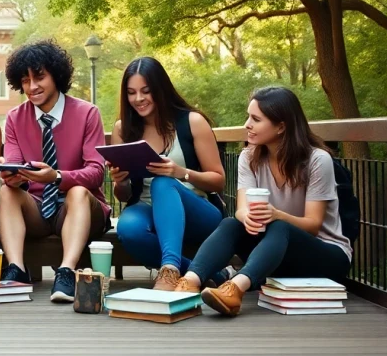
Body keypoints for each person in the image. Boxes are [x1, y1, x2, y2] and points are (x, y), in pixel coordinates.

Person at [175, 86, 353, 317]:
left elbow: (313, 225)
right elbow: (241, 210)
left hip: (325, 258)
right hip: (275, 255)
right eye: (248, 117)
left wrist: (277, 215)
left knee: (280, 227)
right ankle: (189, 282)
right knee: (231, 224)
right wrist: (247, 217)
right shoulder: (249, 157)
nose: (247, 124)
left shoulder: (318, 160)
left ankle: (234, 289)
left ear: (281, 126)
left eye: (256, 119)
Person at [0, 40, 110, 303]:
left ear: (56, 76)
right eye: (25, 80)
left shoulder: (88, 113)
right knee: (6, 193)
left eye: (39, 77)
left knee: (78, 192)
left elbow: (96, 172)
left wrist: (57, 177)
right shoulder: (14, 118)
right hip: (38, 209)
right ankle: (17, 269)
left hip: (81, 210)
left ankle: (66, 272)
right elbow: (14, 165)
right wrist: (11, 176)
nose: (32, 87)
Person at [109, 57, 226, 290]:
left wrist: (181, 172)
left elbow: (219, 181)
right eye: (131, 93)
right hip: (146, 210)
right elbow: (123, 196)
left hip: (196, 211)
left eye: (146, 91)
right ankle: (207, 273)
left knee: (162, 182)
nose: (138, 99)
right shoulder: (123, 129)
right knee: (128, 228)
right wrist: (120, 182)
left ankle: (170, 269)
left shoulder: (192, 122)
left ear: (161, 88)